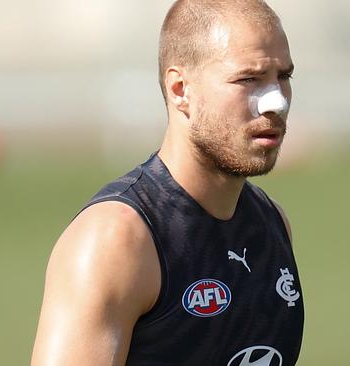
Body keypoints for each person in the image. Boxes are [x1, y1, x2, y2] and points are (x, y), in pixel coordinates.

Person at [31, 0, 303, 365]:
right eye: (248, 79)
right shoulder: (116, 240)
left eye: (283, 77)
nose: (276, 103)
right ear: (179, 90)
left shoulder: (271, 224)